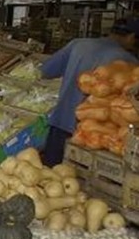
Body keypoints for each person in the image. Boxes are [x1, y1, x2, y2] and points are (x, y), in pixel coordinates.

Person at [40, 19, 139, 166]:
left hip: (60, 121)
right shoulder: (128, 62)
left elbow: (46, 71)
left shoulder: (78, 44)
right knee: (73, 176)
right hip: (91, 135)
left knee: (50, 172)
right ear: (131, 37)